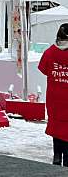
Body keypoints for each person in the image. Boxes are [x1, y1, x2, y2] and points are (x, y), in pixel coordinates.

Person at [38, 23, 68, 167]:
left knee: (57, 127)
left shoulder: (49, 52)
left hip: (54, 99)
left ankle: (57, 156)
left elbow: (43, 69)